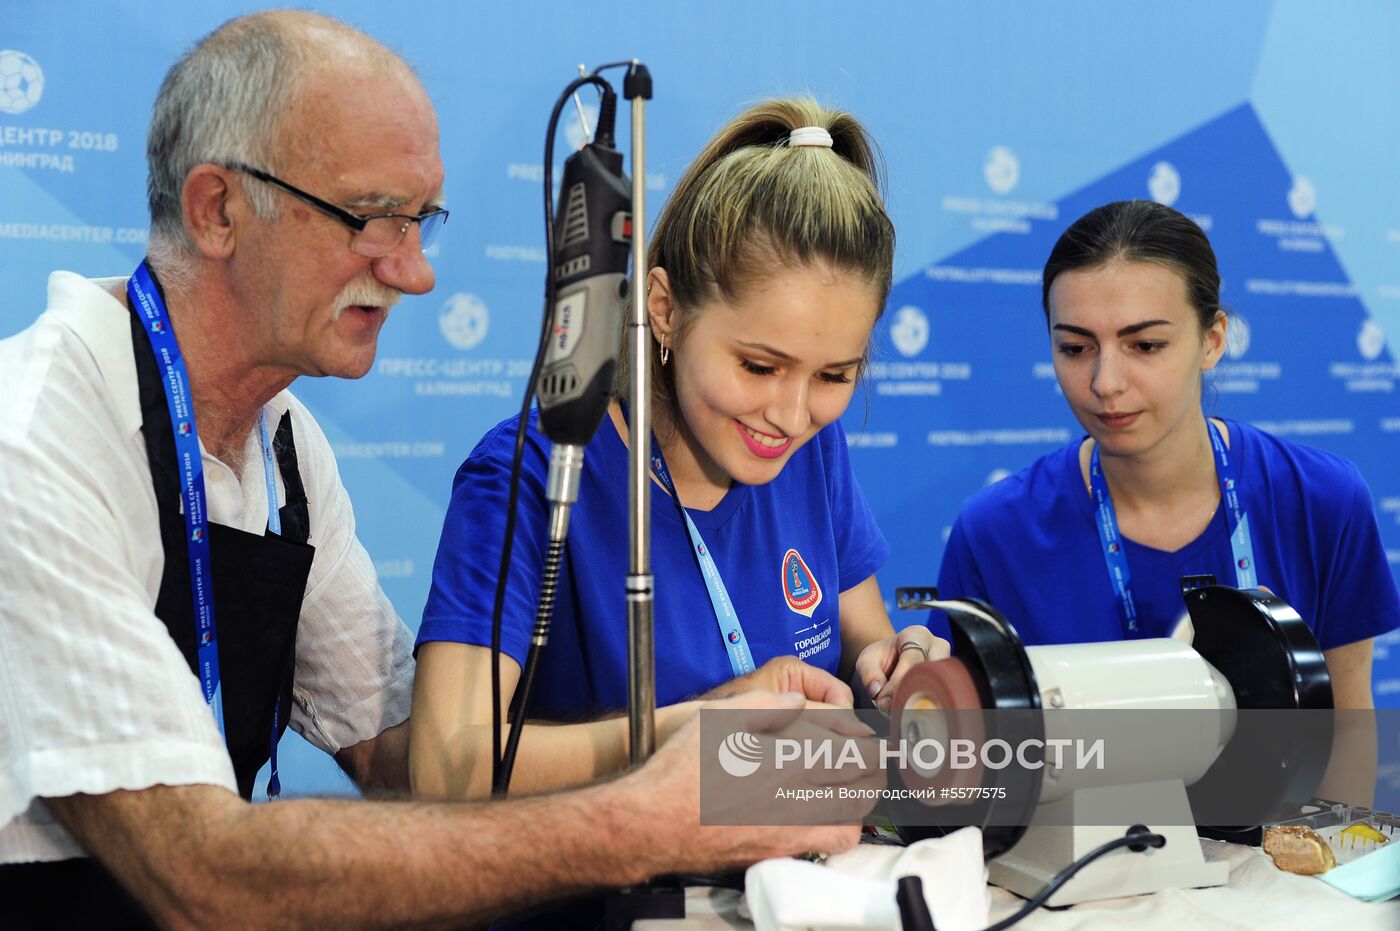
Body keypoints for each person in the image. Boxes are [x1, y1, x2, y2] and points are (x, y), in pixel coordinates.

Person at [0, 13, 875, 928]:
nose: (415, 272)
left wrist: (698, 729)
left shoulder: (286, 448)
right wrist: (636, 817)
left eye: (422, 222)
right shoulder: (37, 440)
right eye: (375, 219)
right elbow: (199, 871)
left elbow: (405, 762)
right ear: (218, 208)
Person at [412, 99, 946, 799]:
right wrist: (698, 729)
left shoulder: (814, 450)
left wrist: (897, 666)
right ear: (664, 308)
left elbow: (864, 645)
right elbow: (447, 769)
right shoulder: (533, 473)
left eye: (834, 376)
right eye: (759, 366)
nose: (790, 414)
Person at [934, 199, 1400, 710]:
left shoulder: (1323, 500)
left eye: (1146, 345)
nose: (1105, 383)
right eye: (1075, 348)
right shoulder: (994, 532)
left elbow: (1348, 729)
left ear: (1213, 341)